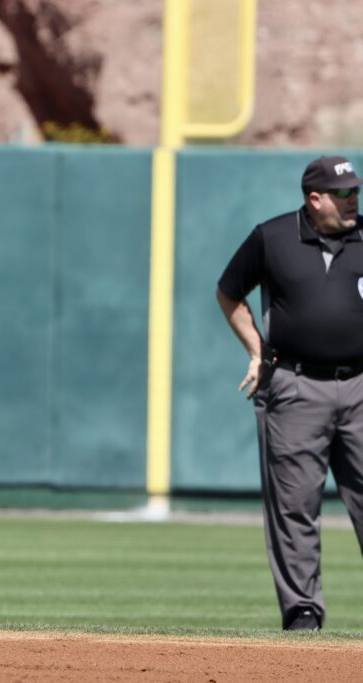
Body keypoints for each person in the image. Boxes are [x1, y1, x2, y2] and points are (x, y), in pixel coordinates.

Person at [216, 155, 363, 632]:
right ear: (314, 198)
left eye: (355, 191)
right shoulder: (273, 236)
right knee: (294, 505)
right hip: (296, 386)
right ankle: (303, 611)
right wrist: (257, 348)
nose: (352, 200)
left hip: (361, 385)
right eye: (343, 193)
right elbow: (228, 292)